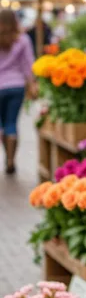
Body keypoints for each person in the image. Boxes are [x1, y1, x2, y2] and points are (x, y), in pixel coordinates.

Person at [0, 9, 35, 174]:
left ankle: (7, 155)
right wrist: (32, 84)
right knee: (11, 123)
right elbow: (28, 65)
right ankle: (11, 161)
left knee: (1, 125)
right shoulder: (22, 40)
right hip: (16, 86)